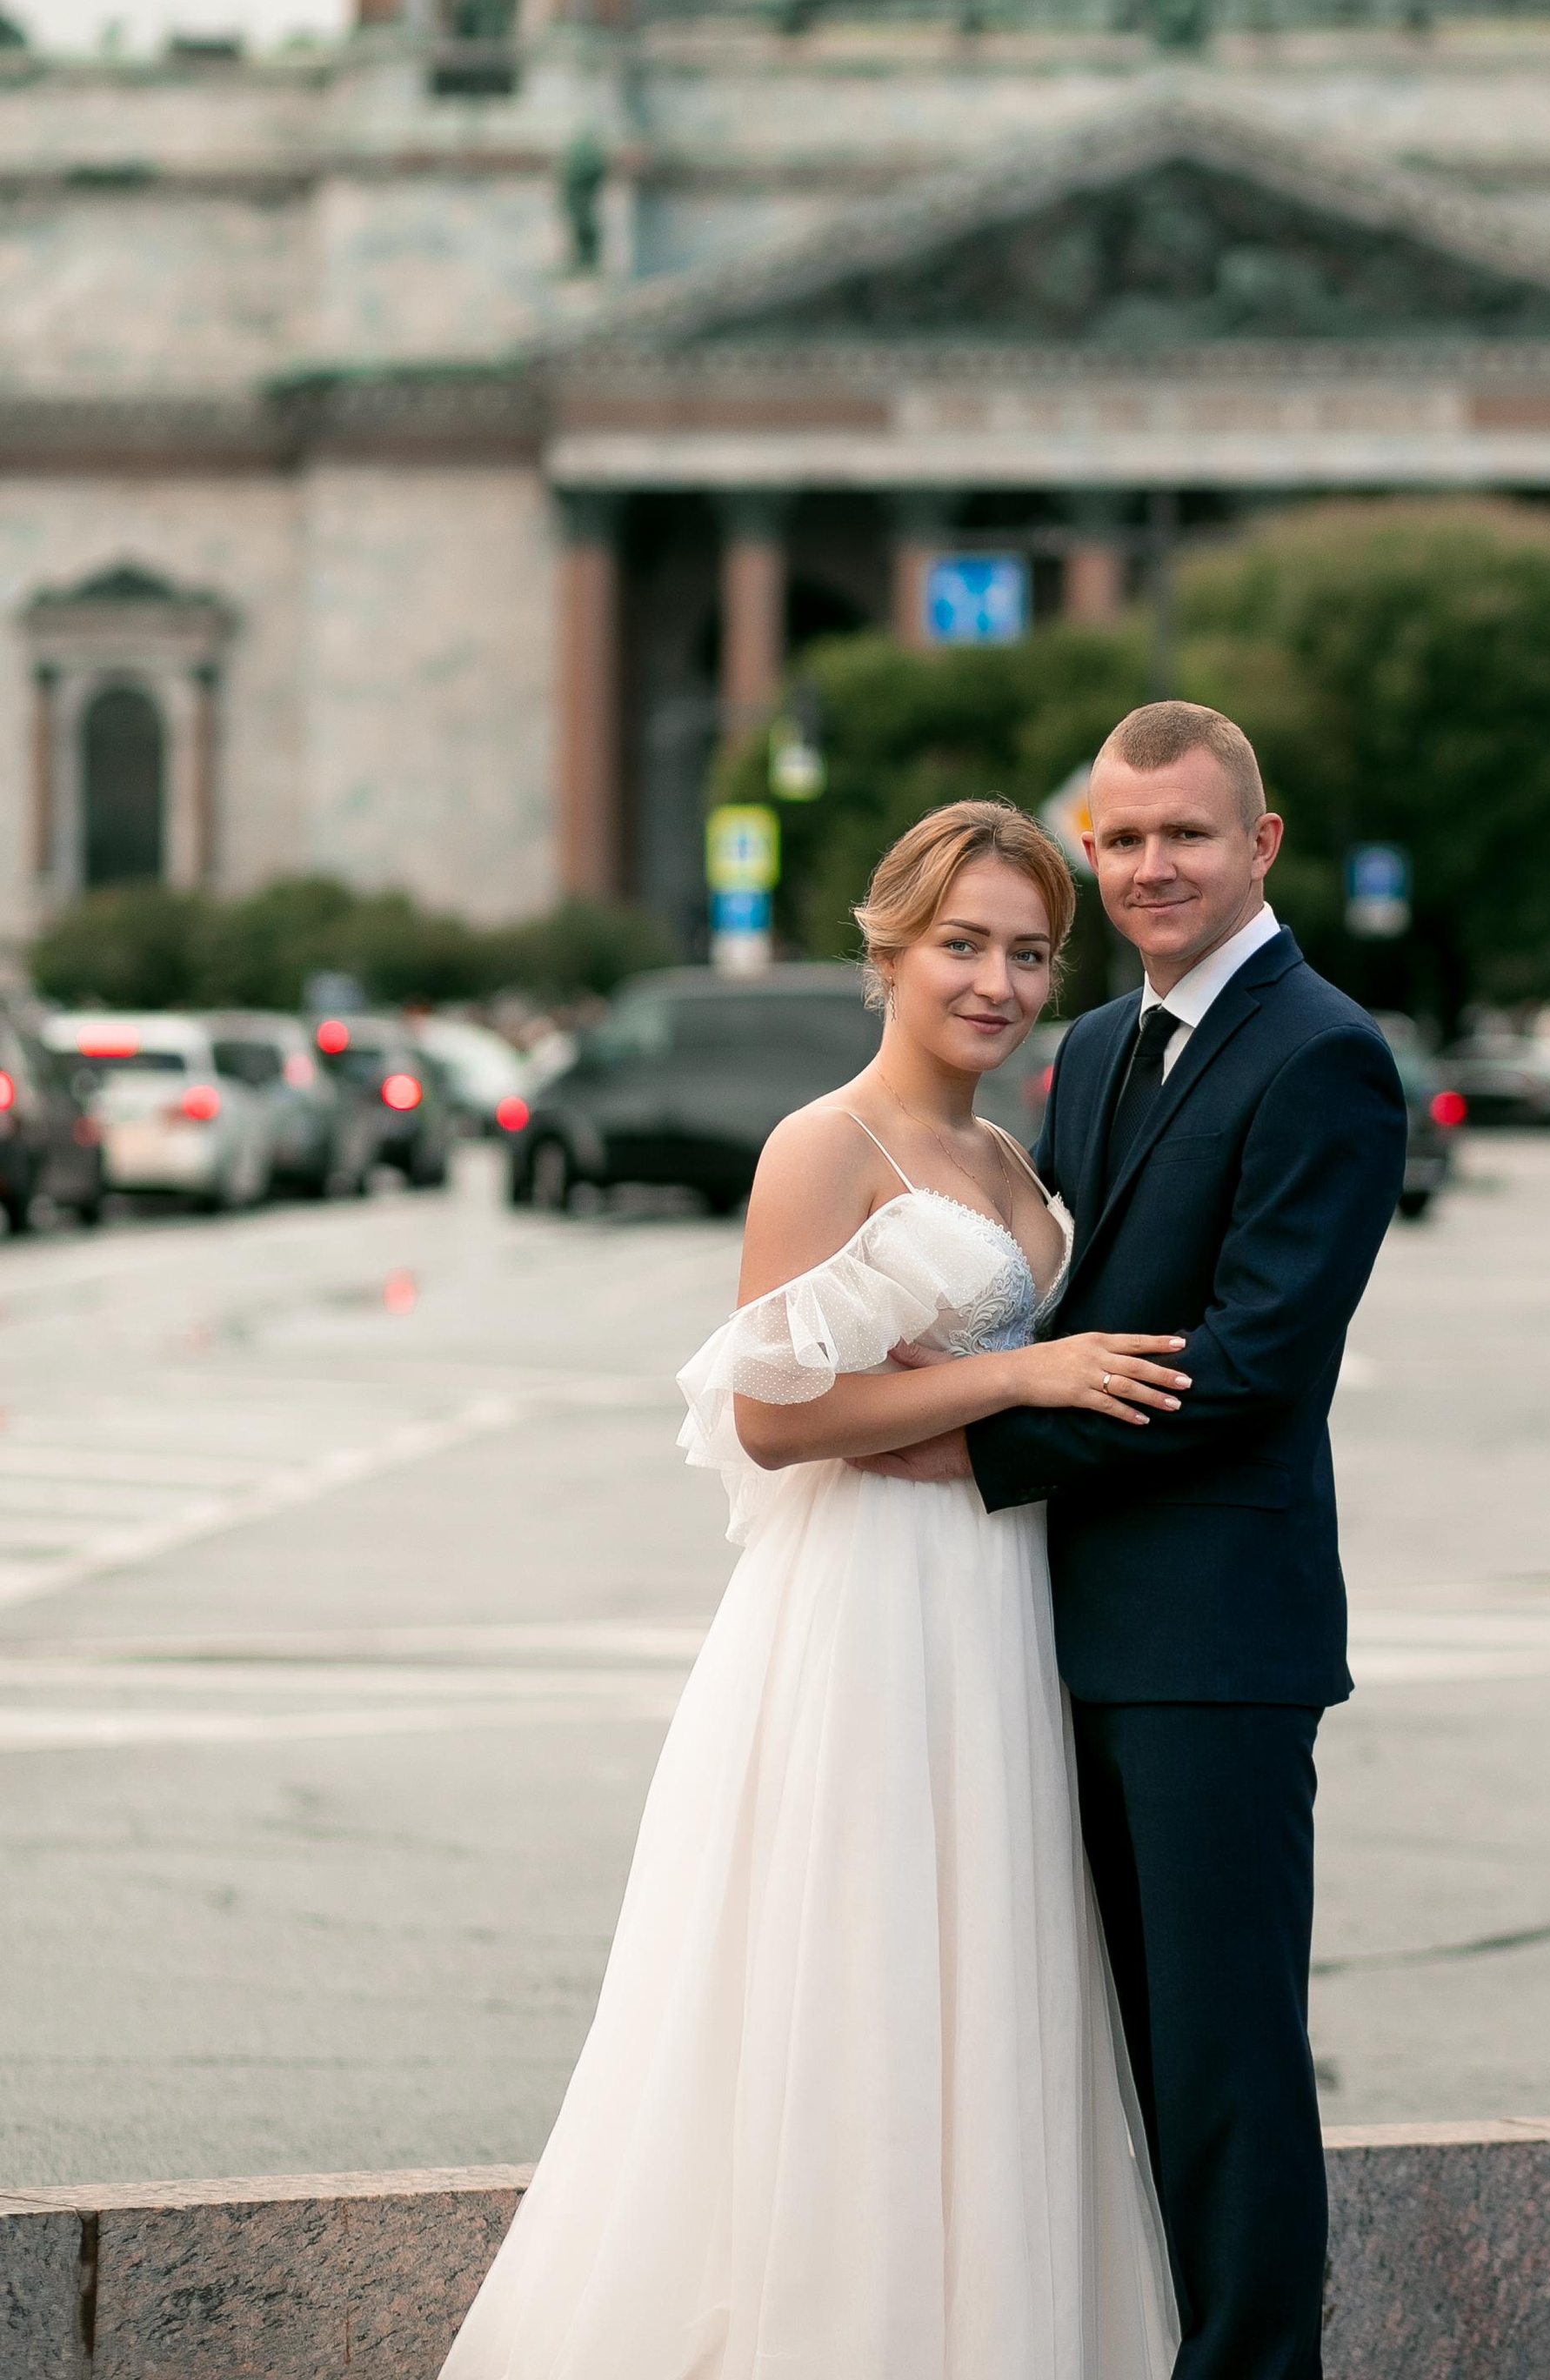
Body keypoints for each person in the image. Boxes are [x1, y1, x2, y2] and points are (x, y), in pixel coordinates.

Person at [442, 798, 1187, 2380]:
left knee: (983, 1972)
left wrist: (1009, 1396)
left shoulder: (1008, 1153)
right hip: (865, 1613)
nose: (995, 981)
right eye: (963, 944)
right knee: (855, 1963)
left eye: (1029, 952)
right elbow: (771, 1415)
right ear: (893, 946)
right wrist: (1026, 1372)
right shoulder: (822, 1144)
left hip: (996, 1603)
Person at [859, 702, 1409, 2380]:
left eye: (1186, 831)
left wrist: (971, 1447)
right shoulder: (1092, 1047)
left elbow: (1246, 1371)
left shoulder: (1323, 1050)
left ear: (1263, 846)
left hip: (1213, 1646)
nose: (1152, 862)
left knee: (1227, 2061)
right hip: (1054, 1627)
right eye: (1122, 835)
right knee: (1105, 2053)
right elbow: (1074, 1302)